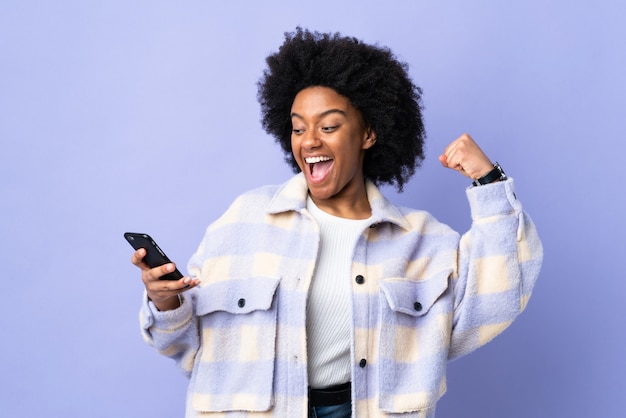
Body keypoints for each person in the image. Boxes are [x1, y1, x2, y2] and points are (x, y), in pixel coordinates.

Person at [132, 28, 543, 418]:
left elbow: (499, 295)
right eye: (298, 128)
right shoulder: (245, 220)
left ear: (367, 133)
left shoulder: (422, 242)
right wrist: (166, 301)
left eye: (328, 126)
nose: (309, 140)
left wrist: (488, 182)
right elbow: (187, 345)